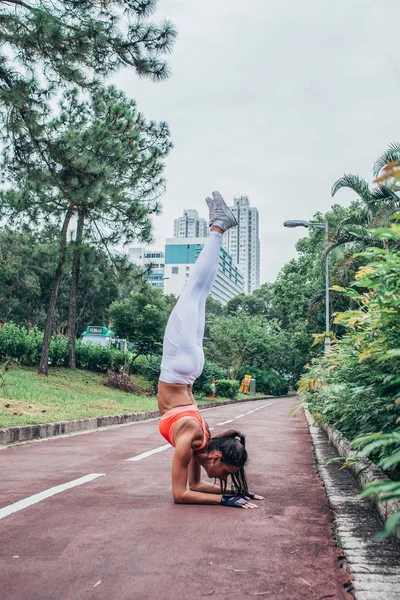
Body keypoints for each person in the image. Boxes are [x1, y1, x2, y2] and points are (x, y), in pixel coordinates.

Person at [157, 191, 264, 508]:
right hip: (179, 367)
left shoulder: (196, 439)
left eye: (225, 476)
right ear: (215, 455)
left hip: (187, 369)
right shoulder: (193, 437)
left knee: (197, 293)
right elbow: (181, 495)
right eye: (224, 473)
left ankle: (218, 226)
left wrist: (234, 494)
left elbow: (192, 487)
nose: (220, 478)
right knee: (193, 292)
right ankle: (218, 226)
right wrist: (227, 499)